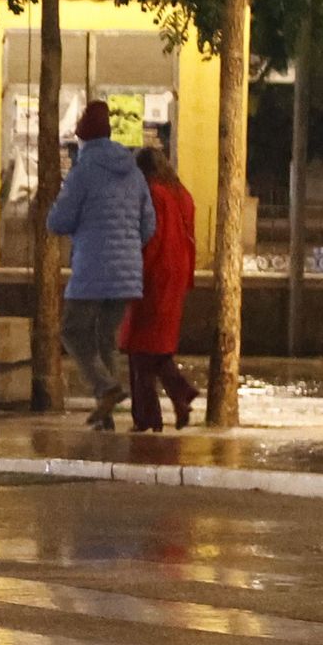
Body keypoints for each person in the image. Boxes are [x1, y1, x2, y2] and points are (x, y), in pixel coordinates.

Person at [47, 100, 156, 431]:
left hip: (92, 270)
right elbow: (149, 225)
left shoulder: (83, 173)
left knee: (72, 330)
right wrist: (126, 249)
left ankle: (105, 386)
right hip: (127, 273)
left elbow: (58, 221)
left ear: (83, 139)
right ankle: (105, 415)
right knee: (106, 337)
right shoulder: (134, 172)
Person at [120, 147, 200, 432]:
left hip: (153, 276)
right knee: (156, 347)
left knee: (139, 349)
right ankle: (180, 395)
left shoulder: (153, 195)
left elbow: (150, 238)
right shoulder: (181, 194)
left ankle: (147, 418)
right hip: (175, 276)